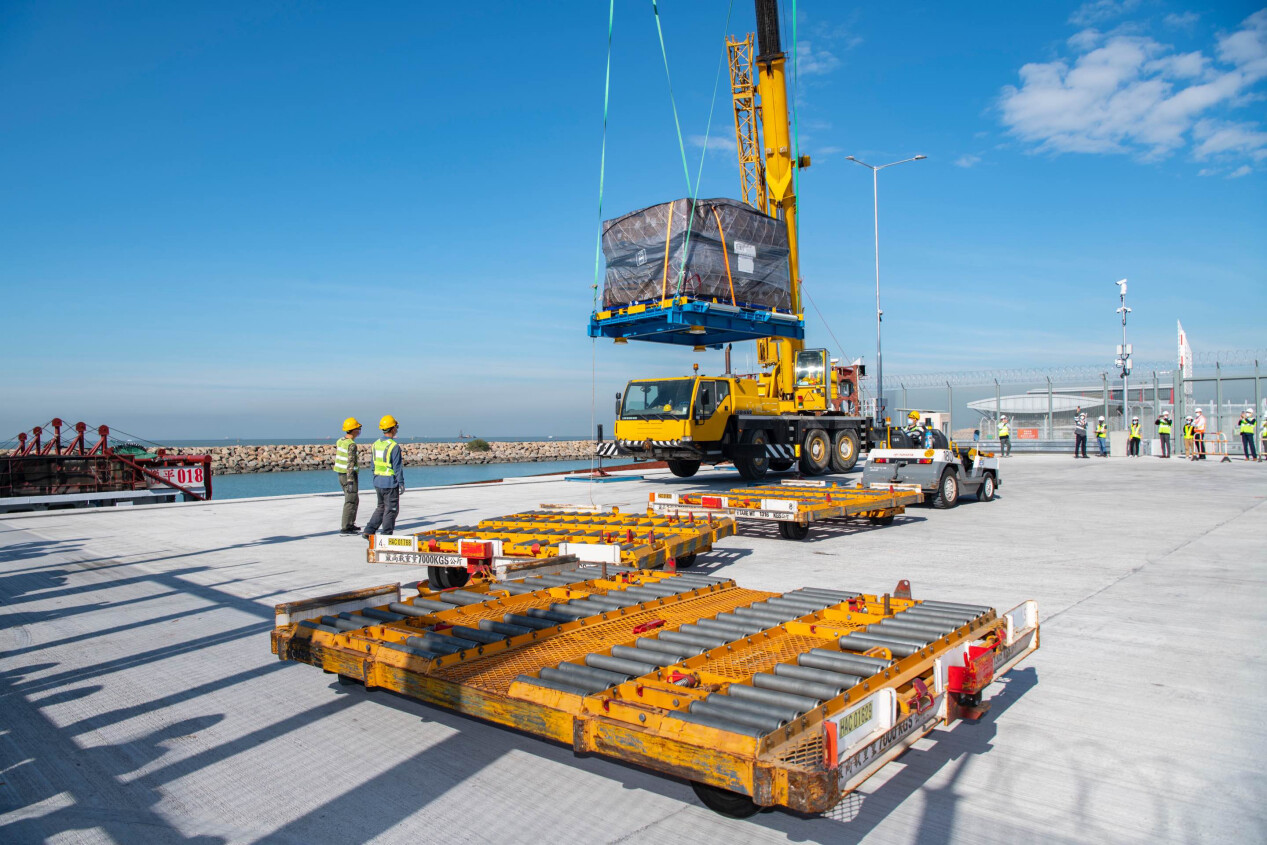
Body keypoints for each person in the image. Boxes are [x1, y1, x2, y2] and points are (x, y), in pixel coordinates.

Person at [362, 415, 405, 538]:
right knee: (391, 509)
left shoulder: (375, 444)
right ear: (392, 429)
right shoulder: (394, 446)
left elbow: (373, 464)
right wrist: (401, 483)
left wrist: (375, 477)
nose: (396, 429)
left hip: (378, 481)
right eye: (396, 427)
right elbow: (397, 467)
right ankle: (386, 535)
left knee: (381, 507)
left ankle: (369, 530)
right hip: (390, 482)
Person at [335, 417, 362, 535]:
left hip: (341, 474)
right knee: (350, 500)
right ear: (354, 430)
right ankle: (346, 526)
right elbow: (350, 463)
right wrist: (351, 481)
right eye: (358, 428)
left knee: (354, 499)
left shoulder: (340, 441)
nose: (359, 430)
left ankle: (351, 523)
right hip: (349, 476)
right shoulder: (351, 445)